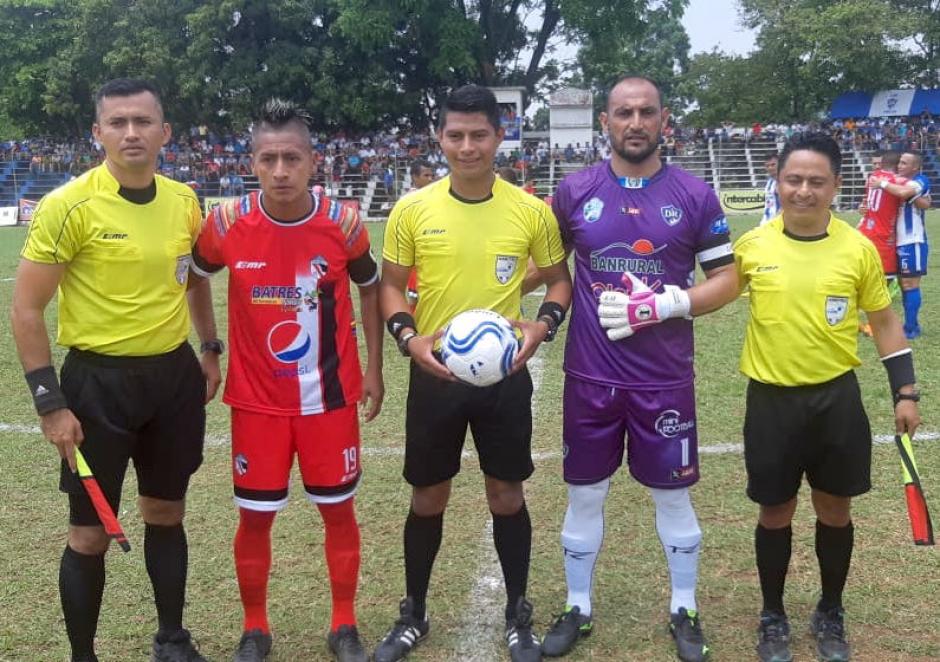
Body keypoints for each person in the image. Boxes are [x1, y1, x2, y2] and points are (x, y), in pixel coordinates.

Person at [10, 78, 221, 662]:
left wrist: (209, 347)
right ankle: (84, 656)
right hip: (96, 386)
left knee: (166, 512)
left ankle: (172, 640)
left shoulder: (183, 200)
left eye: (144, 121)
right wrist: (50, 403)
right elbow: (27, 309)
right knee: (90, 532)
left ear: (165, 132)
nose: (132, 133)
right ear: (97, 132)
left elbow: (195, 278)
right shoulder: (67, 205)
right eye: (119, 122)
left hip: (172, 381)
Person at [538, 74, 738, 662]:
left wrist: (668, 303)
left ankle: (684, 608)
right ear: (605, 121)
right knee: (585, 493)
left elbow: (727, 280)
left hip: (664, 379)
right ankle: (579, 606)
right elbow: (547, 270)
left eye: (645, 112)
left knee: (673, 499)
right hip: (591, 378)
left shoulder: (695, 196)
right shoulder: (574, 191)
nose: (635, 122)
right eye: (623, 112)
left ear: (663, 120)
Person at [375, 84, 572, 662]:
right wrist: (408, 340)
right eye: (455, 135)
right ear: (440, 138)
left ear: (499, 135)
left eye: (478, 135)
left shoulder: (529, 210)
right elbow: (390, 286)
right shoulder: (413, 208)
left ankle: (517, 613)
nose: (467, 147)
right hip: (435, 376)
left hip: (505, 377)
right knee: (427, 497)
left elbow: (559, 279)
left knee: (507, 496)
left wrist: (542, 327)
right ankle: (413, 612)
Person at [189, 100, 383, 662]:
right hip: (256, 403)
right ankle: (255, 629)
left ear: (311, 161)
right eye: (268, 158)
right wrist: (209, 348)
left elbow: (370, 289)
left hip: (330, 399)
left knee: (338, 510)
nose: (280, 171)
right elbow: (195, 279)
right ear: (251, 161)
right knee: (254, 517)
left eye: (291, 158)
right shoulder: (226, 223)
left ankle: (343, 624)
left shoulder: (343, 223)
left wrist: (373, 367)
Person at [733, 132, 921, 662]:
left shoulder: (858, 248)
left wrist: (905, 391)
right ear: (778, 181)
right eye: (794, 180)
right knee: (775, 512)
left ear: (837, 186)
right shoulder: (753, 247)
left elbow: (884, 322)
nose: (804, 191)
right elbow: (709, 294)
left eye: (817, 181)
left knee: (835, 510)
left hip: (836, 400)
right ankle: (773, 615)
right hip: (770, 402)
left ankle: (830, 610)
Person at [869, 152, 931, 339]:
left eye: (904, 163)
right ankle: (906, 325)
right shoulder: (897, 183)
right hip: (895, 241)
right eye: (899, 163)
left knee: (910, 283)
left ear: (915, 167)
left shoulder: (919, 180)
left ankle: (911, 328)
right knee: (903, 285)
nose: (900, 166)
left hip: (913, 240)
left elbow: (906, 194)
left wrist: (882, 183)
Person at [403, 158, 435, 311]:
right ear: (415, 177)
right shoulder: (410, 200)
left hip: (433, 255)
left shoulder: (433, 197)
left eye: (431, 175)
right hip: (417, 257)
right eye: (426, 175)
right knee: (416, 297)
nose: (430, 179)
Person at [760, 154, 780, 225]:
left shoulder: (783, 181)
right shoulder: (770, 181)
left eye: (773, 164)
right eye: (767, 166)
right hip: (766, 221)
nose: (770, 168)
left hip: (777, 224)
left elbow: (786, 207)